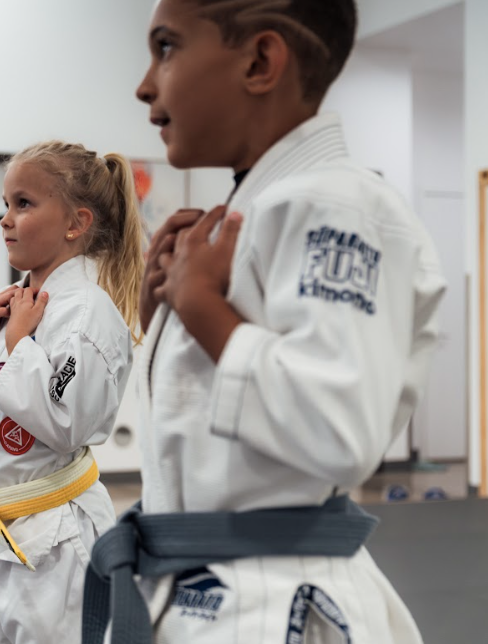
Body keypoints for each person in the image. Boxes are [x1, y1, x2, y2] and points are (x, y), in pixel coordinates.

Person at [84, 1, 446, 642]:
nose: (144, 83)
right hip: (202, 585)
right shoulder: (252, 210)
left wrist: (204, 312)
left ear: (259, 62)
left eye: (166, 48)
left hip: (271, 600)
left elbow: (342, 430)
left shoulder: (337, 206)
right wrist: (163, 313)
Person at [0, 141, 145, 644]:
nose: (6, 220)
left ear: (75, 222)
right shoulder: (21, 304)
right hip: (2, 538)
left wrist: (15, 346)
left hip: (56, 545)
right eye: (5, 205)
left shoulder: (88, 311)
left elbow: (70, 422)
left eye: (23, 204)